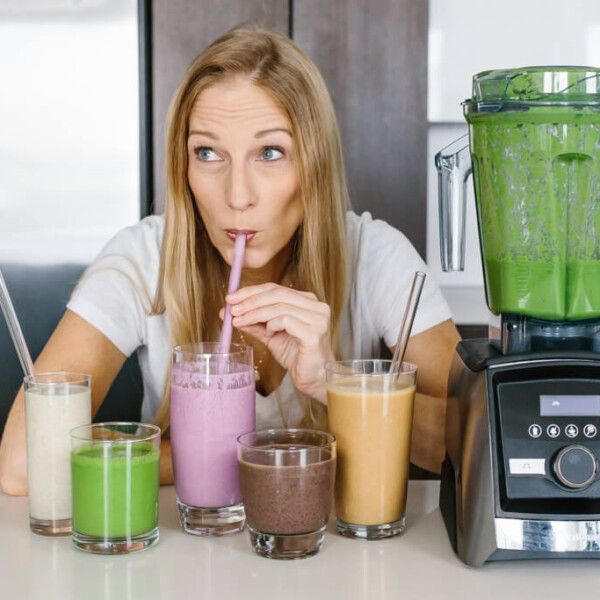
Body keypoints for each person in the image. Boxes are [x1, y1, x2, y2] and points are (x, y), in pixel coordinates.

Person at [0, 25, 460, 495]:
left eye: (269, 153)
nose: (237, 196)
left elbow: (472, 444)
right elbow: (21, 467)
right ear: (184, 167)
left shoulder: (376, 257)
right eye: (208, 153)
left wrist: (334, 385)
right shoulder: (141, 259)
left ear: (315, 163)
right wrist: (220, 455)